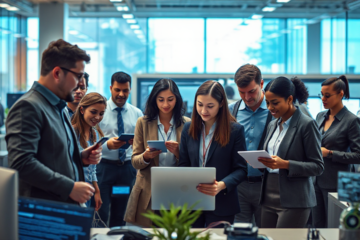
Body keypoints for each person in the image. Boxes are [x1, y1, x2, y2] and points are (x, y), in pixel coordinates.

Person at [5, 39, 102, 204]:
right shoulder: (28, 106)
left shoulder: (58, 106)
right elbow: (22, 163)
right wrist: (68, 187)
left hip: (61, 208)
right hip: (43, 212)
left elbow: (51, 154)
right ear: (57, 73)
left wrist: (79, 157)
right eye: (78, 76)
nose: (80, 84)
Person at [179, 80, 248, 227]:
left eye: (210, 106)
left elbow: (241, 169)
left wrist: (221, 185)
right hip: (193, 201)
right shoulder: (188, 128)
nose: (204, 110)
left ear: (221, 104)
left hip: (222, 201)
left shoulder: (235, 131)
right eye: (200, 105)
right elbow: (183, 165)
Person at [258, 76, 324, 228]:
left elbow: (318, 166)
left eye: (275, 103)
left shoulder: (307, 124)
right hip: (268, 197)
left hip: (295, 200)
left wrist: (285, 164)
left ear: (289, 99)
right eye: (267, 103)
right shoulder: (272, 124)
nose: (270, 108)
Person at [124, 78, 191, 227]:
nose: (165, 105)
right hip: (148, 189)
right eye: (161, 100)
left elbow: (193, 163)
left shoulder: (187, 124)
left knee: (173, 232)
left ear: (177, 99)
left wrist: (179, 153)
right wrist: (146, 156)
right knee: (145, 233)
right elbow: (135, 160)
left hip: (176, 188)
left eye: (170, 99)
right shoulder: (143, 122)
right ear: (154, 100)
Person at [312, 75, 360, 228]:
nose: (323, 99)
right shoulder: (320, 116)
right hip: (315, 181)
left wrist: (331, 154)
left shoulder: (351, 120)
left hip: (337, 184)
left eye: (327, 95)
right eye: (321, 94)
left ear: (340, 94)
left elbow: (358, 156)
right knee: (316, 225)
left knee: (334, 227)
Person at [97, 71, 143, 227]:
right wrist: (107, 145)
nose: (121, 94)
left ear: (130, 90)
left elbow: (141, 142)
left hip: (126, 170)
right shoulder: (99, 111)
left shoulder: (137, 113)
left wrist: (135, 142)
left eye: (125, 90)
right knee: (101, 211)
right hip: (103, 168)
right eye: (117, 90)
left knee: (121, 211)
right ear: (111, 88)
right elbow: (89, 141)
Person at [228, 64, 272, 227]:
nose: (247, 97)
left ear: (261, 84)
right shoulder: (230, 111)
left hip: (267, 185)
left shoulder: (274, 111)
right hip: (239, 186)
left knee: (267, 232)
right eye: (242, 92)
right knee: (238, 232)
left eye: (251, 91)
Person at [72, 92, 107, 211]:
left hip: (88, 190)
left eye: (101, 113)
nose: (97, 117)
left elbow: (92, 168)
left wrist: (96, 191)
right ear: (82, 110)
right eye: (93, 112)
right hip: (74, 189)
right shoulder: (72, 132)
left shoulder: (94, 133)